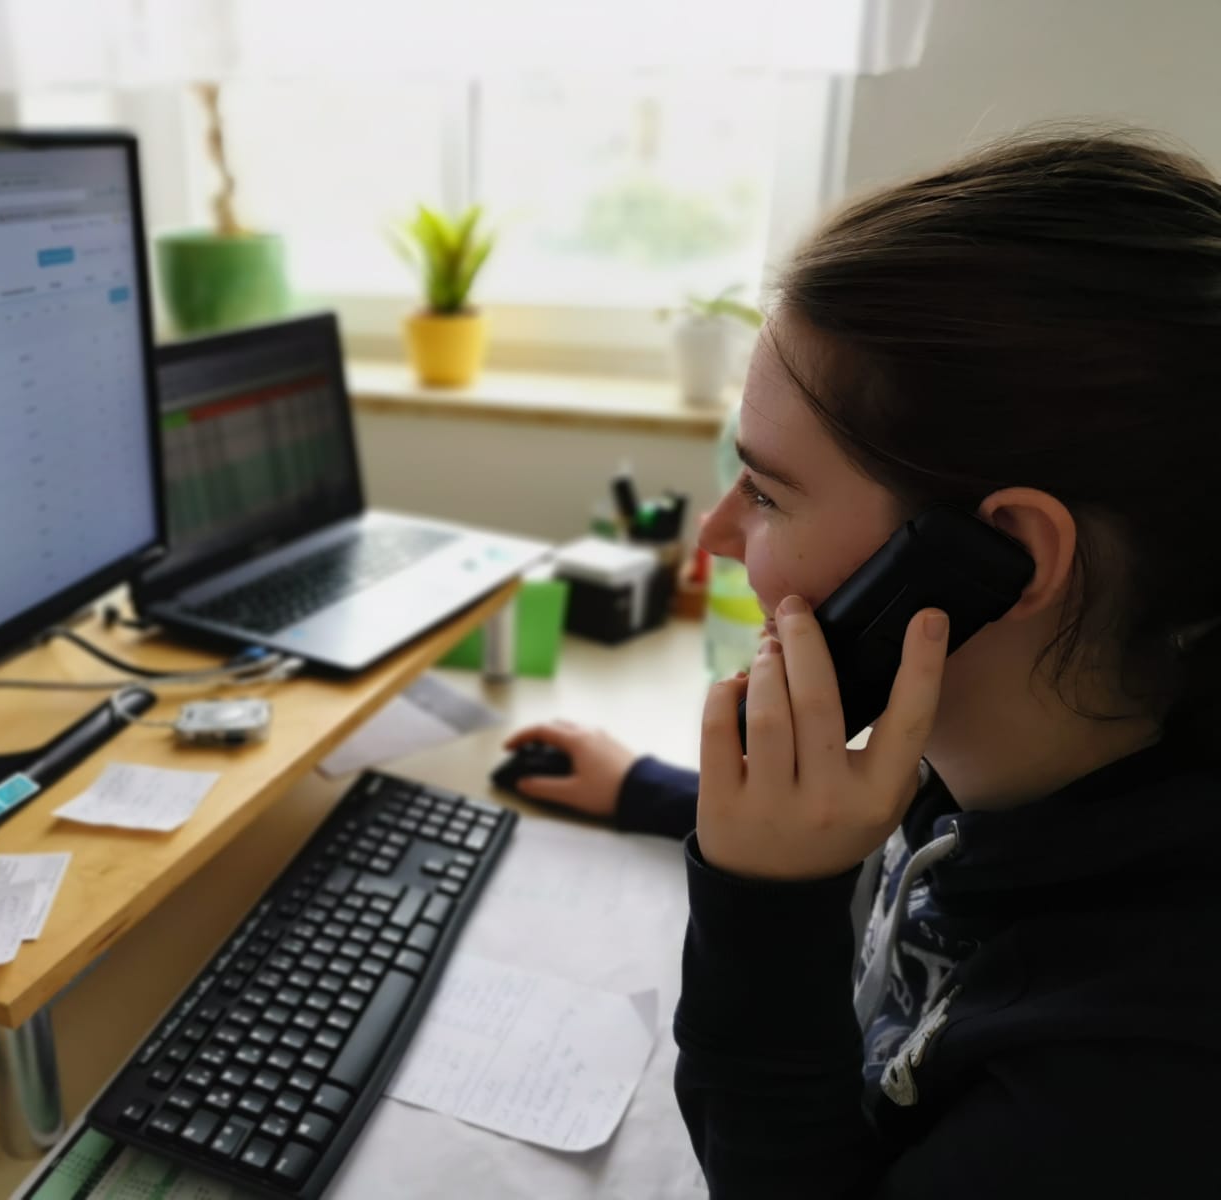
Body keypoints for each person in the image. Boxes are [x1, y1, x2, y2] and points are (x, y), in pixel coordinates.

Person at [505, 131, 1221, 1196]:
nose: (712, 534)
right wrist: (661, 797)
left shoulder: (1127, 1088)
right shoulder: (1034, 741)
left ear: (1001, 561)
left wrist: (761, 906)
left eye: (765, 491)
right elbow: (882, 823)